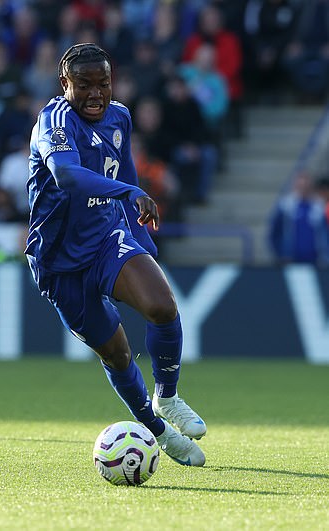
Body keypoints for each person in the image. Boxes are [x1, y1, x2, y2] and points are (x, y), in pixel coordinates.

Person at [26, 43, 206, 467]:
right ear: (64, 84)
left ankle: (168, 397)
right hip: (59, 263)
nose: (95, 94)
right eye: (84, 85)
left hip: (107, 238)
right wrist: (128, 190)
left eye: (103, 83)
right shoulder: (53, 122)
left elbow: (126, 179)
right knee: (118, 354)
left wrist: (143, 244)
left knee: (162, 306)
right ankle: (157, 431)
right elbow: (68, 176)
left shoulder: (120, 117)